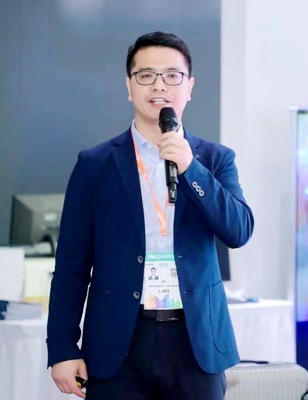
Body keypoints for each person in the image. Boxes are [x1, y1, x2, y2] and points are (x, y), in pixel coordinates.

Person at [46, 31, 254, 400]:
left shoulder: (215, 159)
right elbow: (71, 265)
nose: (159, 85)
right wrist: (62, 347)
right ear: (129, 86)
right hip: (119, 344)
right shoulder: (95, 164)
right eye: (146, 75)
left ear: (189, 87)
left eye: (172, 75)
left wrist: (190, 167)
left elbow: (238, 230)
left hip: (195, 341)